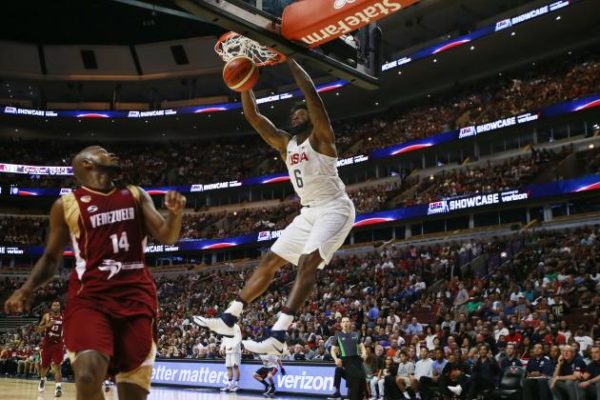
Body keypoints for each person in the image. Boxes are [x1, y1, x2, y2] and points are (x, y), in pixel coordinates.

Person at [194, 58, 356, 355]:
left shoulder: (322, 138)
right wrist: (245, 85)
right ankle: (230, 316)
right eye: (293, 115)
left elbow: (311, 93)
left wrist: (290, 56)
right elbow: (254, 116)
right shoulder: (285, 144)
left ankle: (279, 334)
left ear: (311, 117)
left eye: (301, 113)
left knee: (308, 263)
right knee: (270, 260)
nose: (295, 117)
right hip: (308, 211)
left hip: (335, 208)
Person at [4, 146, 186, 400]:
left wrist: (175, 215)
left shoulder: (135, 195)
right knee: (88, 374)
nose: (112, 154)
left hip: (136, 299)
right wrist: (25, 289)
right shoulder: (66, 205)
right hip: (90, 299)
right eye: (103, 151)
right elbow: (51, 258)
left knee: (132, 394)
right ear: (87, 164)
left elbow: (168, 235)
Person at [331, 317, 367, 400]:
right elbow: (332, 350)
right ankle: (337, 391)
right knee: (340, 370)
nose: (345, 323)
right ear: (341, 324)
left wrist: (364, 353)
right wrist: (336, 359)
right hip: (346, 360)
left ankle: (355, 395)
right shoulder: (338, 335)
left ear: (350, 323)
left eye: (347, 321)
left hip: (356, 360)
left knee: (360, 380)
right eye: (343, 322)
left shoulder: (356, 334)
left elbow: (362, 346)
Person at [37, 300, 65, 397]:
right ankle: (42, 380)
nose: (56, 306)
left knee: (57, 365)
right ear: (51, 306)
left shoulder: (64, 317)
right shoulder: (46, 316)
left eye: (58, 305)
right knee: (45, 366)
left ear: (60, 307)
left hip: (58, 344)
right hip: (47, 344)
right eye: (54, 305)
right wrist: (47, 325)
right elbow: (38, 329)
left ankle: (58, 387)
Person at [220, 324, 242, 392]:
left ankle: (236, 385)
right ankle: (229, 385)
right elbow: (224, 340)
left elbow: (239, 338)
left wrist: (234, 346)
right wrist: (221, 347)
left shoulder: (236, 326)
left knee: (235, 366)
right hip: (228, 351)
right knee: (228, 367)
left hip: (235, 350)